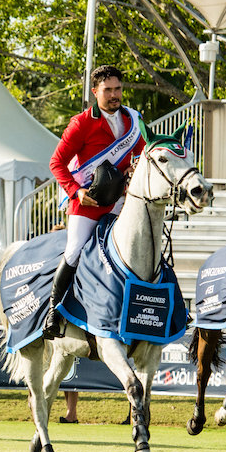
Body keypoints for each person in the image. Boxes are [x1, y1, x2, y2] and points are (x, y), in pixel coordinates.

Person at [44, 65, 146, 339]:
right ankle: (54, 311)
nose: (115, 95)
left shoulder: (133, 120)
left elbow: (142, 156)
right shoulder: (81, 123)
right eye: (108, 90)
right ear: (95, 92)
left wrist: (135, 170)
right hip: (87, 205)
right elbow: (56, 163)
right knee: (74, 251)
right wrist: (76, 191)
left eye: (118, 89)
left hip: (120, 202)